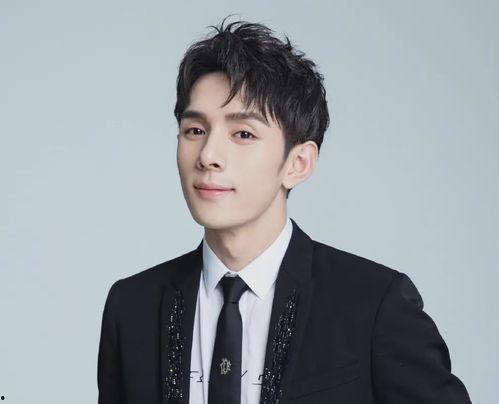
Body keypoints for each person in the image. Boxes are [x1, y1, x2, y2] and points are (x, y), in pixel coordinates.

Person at [97, 16, 472, 404]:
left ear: (298, 163)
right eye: (195, 131)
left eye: (243, 134)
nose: (208, 155)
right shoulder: (132, 307)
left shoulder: (373, 304)